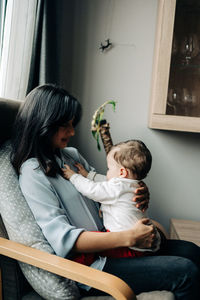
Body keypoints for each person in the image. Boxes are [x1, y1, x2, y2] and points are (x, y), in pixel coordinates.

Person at [11, 84, 200, 299]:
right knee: (186, 271)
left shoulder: (70, 155)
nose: (72, 132)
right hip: (94, 263)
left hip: (114, 237)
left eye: (73, 124)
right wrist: (129, 238)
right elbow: (65, 240)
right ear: (44, 124)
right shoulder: (33, 173)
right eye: (66, 125)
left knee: (191, 250)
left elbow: (107, 188)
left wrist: (136, 191)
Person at [62, 139, 161, 261]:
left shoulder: (118, 187)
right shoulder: (133, 185)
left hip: (127, 247)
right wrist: (89, 175)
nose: (107, 172)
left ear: (122, 172)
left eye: (109, 168)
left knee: (90, 249)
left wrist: (74, 176)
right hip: (143, 244)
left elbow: (91, 189)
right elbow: (106, 181)